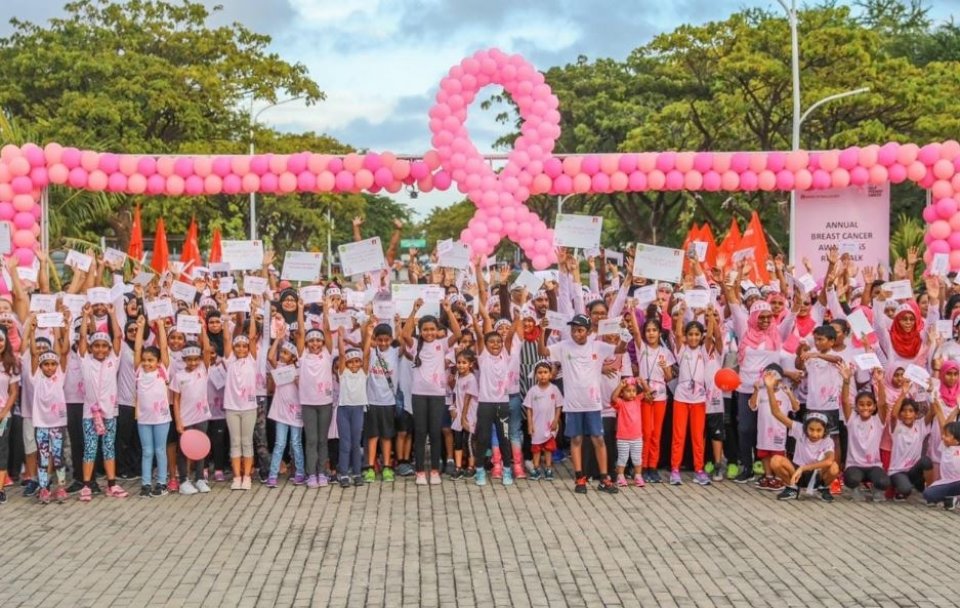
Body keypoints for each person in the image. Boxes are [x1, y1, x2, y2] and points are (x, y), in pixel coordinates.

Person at [539, 313, 629, 495]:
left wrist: (625, 332)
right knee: (577, 439)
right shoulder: (564, 346)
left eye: (580, 330)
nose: (576, 333)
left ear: (589, 332)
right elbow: (543, 352)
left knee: (598, 439)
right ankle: (580, 477)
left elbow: (620, 349)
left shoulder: (598, 346)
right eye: (573, 330)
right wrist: (542, 332)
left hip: (593, 404)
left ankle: (604, 478)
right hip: (573, 404)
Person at [400, 298, 461, 486]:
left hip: (437, 395)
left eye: (432, 329)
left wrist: (449, 311)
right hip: (418, 395)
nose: (429, 333)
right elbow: (404, 333)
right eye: (425, 329)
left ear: (437, 330)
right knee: (420, 433)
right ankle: (420, 472)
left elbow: (458, 333)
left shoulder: (442, 344)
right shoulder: (415, 344)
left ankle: (434, 471)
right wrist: (414, 310)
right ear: (420, 331)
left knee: (435, 433)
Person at [763, 371, 840, 502]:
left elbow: (828, 461)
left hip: (816, 473)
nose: (814, 434)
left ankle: (823, 488)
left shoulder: (827, 441)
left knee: (834, 467)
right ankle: (792, 488)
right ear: (805, 428)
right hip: (796, 471)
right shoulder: (799, 430)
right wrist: (770, 388)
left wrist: (804, 468)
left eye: (818, 430)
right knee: (775, 460)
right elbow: (776, 413)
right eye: (811, 429)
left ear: (824, 431)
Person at [77, 304, 125, 500]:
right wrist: (86, 317)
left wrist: (113, 314)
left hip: (110, 412)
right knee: (90, 447)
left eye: (104, 346)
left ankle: (111, 484)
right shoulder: (85, 360)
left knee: (108, 446)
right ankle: (86, 485)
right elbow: (81, 338)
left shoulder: (113, 360)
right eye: (96, 345)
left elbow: (118, 337)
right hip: (90, 413)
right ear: (91, 347)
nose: (100, 349)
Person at [28, 314, 69, 504]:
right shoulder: (36, 377)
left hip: (58, 424)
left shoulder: (60, 375)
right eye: (47, 364)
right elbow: (34, 354)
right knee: (43, 458)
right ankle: (44, 488)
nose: (50, 367)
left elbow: (63, 353)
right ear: (41, 366)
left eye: (53, 364)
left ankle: (60, 487)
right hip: (41, 424)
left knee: (58, 457)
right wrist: (32, 331)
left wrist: (64, 330)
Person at [296, 298, 335, 488]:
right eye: (312, 340)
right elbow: (301, 332)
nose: (315, 343)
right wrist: (300, 309)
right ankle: (311, 474)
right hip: (308, 403)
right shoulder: (302, 356)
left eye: (318, 340)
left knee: (322, 440)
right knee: (311, 440)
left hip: (325, 402)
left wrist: (326, 310)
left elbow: (327, 331)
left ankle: (322, 472)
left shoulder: (327, 354)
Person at [134, 315, 172, 498]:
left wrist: (160, 327)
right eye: (145, 360)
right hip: (143, 419)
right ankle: (146, 483)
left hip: (162, 418)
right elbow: (137, 349)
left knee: (160, 450)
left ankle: (162, 483)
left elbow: (163, 347)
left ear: (157, 362)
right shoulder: (139, 371)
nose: (147, 363)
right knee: (147, 451)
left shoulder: (163, 370)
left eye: (151, 360)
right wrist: (141, 327)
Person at [839, 365, 889, 501]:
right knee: (852, 478)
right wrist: (846, 380)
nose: (865, 407)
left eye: (869, 404)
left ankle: (877, 489)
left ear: (873, 407)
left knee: (884, 482)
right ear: (856, 406)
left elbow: (883, 404)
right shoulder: (852, 420)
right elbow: (844, 401)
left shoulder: (878, 421)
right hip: (854, 466)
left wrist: (880, 382)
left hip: (874, 466)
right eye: (861, 404)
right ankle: (855, 489)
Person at [635, 317, 675, 484]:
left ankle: (653, 467)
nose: (651, 333)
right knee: (646, 432)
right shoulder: (642, 348)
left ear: (659, 333)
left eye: (654, 330)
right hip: (645, 394)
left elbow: (669, 377)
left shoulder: (665, 352)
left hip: (660, 396)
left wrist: (665, 366)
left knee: (656, 434)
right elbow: (635, 332)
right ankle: (642, 467)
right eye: (648, 331)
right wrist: (630, 309)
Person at [170, 339, 212, 495]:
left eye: (196, 359)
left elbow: (207, 349)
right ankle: (183, 481)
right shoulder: (179, 376)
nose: (193, 362)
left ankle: (200, 478)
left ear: (200, 359)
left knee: (200, 449)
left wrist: (202, 327)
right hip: (185, 419)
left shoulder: (203, 370)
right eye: (189, 359)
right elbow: (175, 399)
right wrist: (178, 422)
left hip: (201, 417)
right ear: (184, 359)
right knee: (183, 450)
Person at [749, 363, 799, 492]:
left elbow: (796, 408)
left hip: (778, 431)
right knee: (764, 453)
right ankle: (769, 476)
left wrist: (790, 394)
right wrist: (755, 390)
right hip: (764, 430)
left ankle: (779, 478)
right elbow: (752, 406)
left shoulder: (784, 393)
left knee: (777, 453)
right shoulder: (761, 392)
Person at [335, 322, 371, 487]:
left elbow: (367, 355)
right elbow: (342, 356)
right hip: (343, 410)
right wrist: (341, 338)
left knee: (356, 443)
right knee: (345, 442)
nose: (355, 364)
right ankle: (343, 473)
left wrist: (369, 335)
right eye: (352, 362)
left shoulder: (364, 373)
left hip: (358, 410)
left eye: (357, 361)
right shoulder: (343, 373)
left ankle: (356, 473)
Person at [364, 323, 400, 483]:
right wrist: (368, 332)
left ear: (391, 339)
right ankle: (370, 467)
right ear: (375, 340)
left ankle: (387, 466)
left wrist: (400, 324)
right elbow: (364, 355)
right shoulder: (371, 352)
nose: (383, 343)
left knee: (386, 436)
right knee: (373, 436)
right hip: (372, 400)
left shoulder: (395, 352)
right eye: (380, 340)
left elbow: (404, 340)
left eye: (387, 340)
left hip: (389, 401)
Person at [266, 336, 304, 487]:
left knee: (296, 443)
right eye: (282, 352)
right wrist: (278, 340)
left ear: (293, 357)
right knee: (279, 443)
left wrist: (297, 381)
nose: (282, 355)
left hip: (295, 411)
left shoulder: (299, 370)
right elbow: (270, 356)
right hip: (281, 412)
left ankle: (300, 472)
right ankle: (273, 475)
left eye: (286, 353)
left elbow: (304, 390)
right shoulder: (279, 367)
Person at [523, 360, 562, 481]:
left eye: (545, 372)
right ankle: (536, 468)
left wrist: (556, 420)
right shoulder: (532, 391)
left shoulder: (554, 389)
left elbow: (559, 406)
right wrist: (530, 424)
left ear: (550, 374)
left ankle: (548, 468)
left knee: (548, 448)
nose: (543, 375)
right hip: (536, 425)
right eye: (539, 372)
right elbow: (528, 409)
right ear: (535, 375)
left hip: (549, 425)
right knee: (536, 449)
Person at [0, 325, 22, 504]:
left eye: (1, 339)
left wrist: (4, 412)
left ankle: (0, 489)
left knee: (2, 451)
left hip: (3, 415)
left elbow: (14, 391)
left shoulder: (10, 362)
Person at [610, 378, 643, 487]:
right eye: (628, 391)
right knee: (622, 458)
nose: (631, 393)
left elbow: (649, 392)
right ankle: (620, 476)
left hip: (637, 437)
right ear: (622, 393)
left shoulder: (637, 400)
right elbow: (613, 398)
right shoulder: (621, 403)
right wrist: (620, 385)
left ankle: (638, 476)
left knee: (637, 458)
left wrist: (643, 383)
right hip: (623, 437)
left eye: (633, 391)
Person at [450, 349, 478, 480]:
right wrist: (453, 407)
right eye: (459, 362)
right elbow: (455, 394)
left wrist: (464, 418)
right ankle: (458, 467)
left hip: (468, 414)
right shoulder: (457, 377)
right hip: (459, 413)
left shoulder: (471, 378)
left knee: (469, 441)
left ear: (471, 364)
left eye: (464, 363)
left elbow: (467, 399)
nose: (461, 365)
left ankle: (471, 467)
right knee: (458, 441)